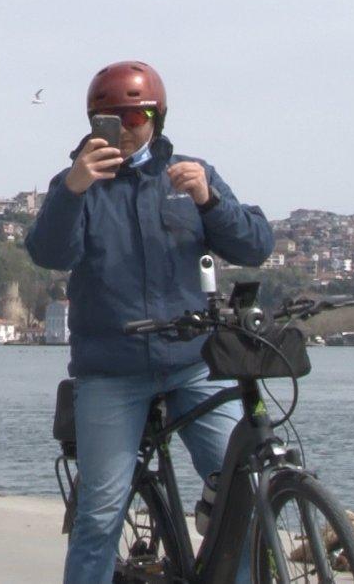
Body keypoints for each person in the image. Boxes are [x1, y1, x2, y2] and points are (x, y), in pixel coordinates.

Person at [24, 61, 273, 583]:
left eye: (137, 113)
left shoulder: (190, 172)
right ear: (93, 120)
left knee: (241, 490)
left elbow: (255, 245)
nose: (126, 124)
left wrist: (210, 199)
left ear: (158, 115)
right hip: (111, 372)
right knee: (99, 514)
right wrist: (73, 189)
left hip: (193, 365)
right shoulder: (77, 182)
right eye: (109, 116)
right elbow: (48, 252)